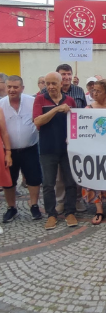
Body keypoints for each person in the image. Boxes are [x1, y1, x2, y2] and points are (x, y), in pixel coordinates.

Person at [33, 72, 78, 230]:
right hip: (47, 148)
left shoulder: (70, 100)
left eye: (53, 83)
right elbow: (37, 121)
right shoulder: (40, 99)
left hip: (67, 149)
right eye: (48, 83)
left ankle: (70, 212)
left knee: (71, 182)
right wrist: (56, 109)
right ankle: (51, 215)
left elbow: (76, 122)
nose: (50, 86)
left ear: (61, 84)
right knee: (48, 184)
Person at [1, 76, 43, 223]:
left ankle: (34, 205)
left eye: (15, 87)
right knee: (9, 181)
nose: (12, 90)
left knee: (34, 178)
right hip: (9, 151)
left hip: (30, 147)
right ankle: (11, 208)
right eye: (9, 87)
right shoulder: (1, 104)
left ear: (22, 88)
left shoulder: (32, 102)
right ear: (6, 87)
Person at [82, 79, 106, 224]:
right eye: (93, 90)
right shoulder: (87, 109)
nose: (94, 93)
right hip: (93, 152)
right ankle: (99, 210)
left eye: (98, 91)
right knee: (94, 178)